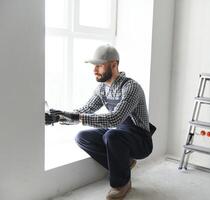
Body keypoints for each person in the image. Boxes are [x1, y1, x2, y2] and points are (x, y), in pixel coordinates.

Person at [45, 45, 155, 200]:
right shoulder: (102, 89)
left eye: (99, 66)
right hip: (120, 135)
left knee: (112, 135)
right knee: (82, 137)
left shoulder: (131, 87)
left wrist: (77, 118)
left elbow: (114, 119)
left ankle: (122, 184)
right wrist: (60, 116)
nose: (94, 70)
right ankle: (126, 163)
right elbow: (86, 109)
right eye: (94, 66)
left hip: (140, 140)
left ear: (114, 65)